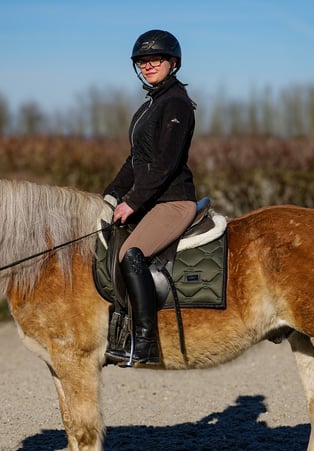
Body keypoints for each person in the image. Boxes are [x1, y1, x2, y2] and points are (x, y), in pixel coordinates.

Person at [103, 29, 198, 366]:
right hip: (152, 199)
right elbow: (135, 160)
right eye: (142, 61)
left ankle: (145, 343)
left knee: (132, 253)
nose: (148, 65)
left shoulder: (175, 104)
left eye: (155, 59)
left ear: (173, 62)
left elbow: (165, 164)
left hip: (173, 201)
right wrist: (113, 193)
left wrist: (133, 201)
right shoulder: (153, 104)